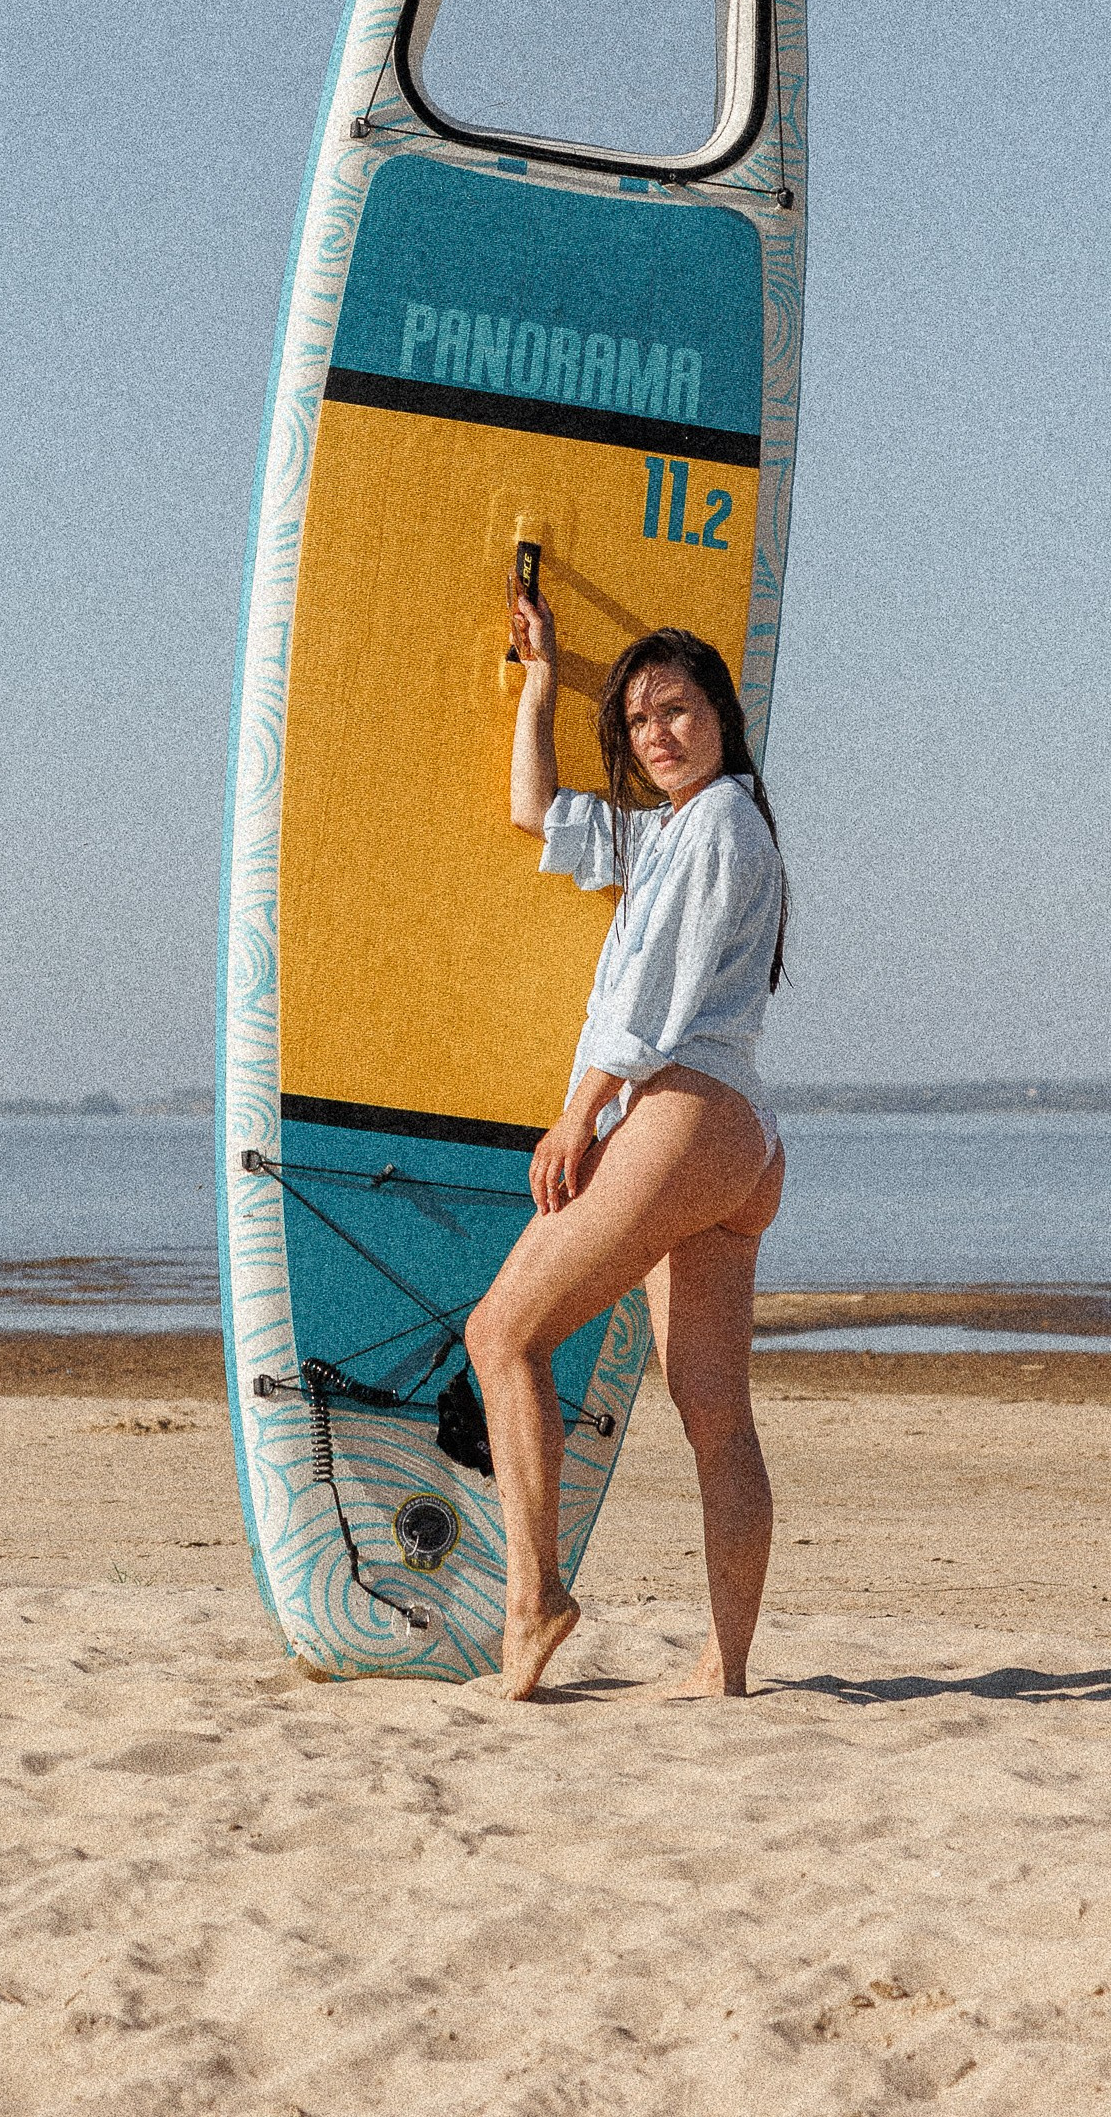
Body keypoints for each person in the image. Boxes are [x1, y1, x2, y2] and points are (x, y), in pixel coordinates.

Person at [463, 574, 789, 1701]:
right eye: (640, 719)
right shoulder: (673, 833)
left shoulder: (721, 820)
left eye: (678, 710)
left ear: (721, 716)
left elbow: (651, 993)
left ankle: (535, 1599)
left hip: (683, 1117)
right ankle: (725, 1665)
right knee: (714, 1411)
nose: (658, 734)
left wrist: (579, 1113)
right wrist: (543, 680)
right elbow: (536, 811)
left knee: (502, 1333)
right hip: (740, 1142)